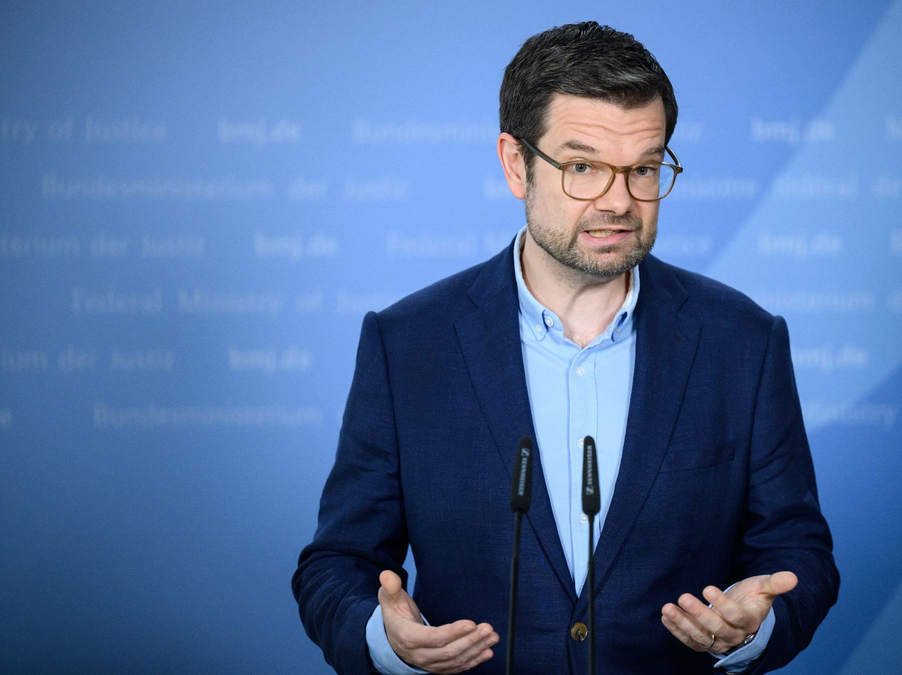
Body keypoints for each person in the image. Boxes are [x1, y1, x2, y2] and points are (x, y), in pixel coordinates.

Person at [293, 21, 838, 675]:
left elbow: (798, 548)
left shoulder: (744, 342)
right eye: (583, 167)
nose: (620, 200)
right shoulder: (407, 344)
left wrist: (758, 623)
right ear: (515, 164)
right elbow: (335, 565)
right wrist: (383, 638)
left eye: (643, 167)